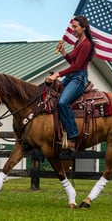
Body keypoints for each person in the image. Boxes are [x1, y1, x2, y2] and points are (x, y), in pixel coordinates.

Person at [46, 15, 95, 151]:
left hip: (79, 78)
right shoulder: (78, 42)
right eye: (72, 26)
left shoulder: (86, 44)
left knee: (63, 102)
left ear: (83, 28)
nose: (72, 29)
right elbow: (72, 62)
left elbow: (77, 66)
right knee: (52, 97)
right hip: (72, 76)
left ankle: (73, 135)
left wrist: (58, 74)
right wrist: (63, 52)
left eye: (75, 26)